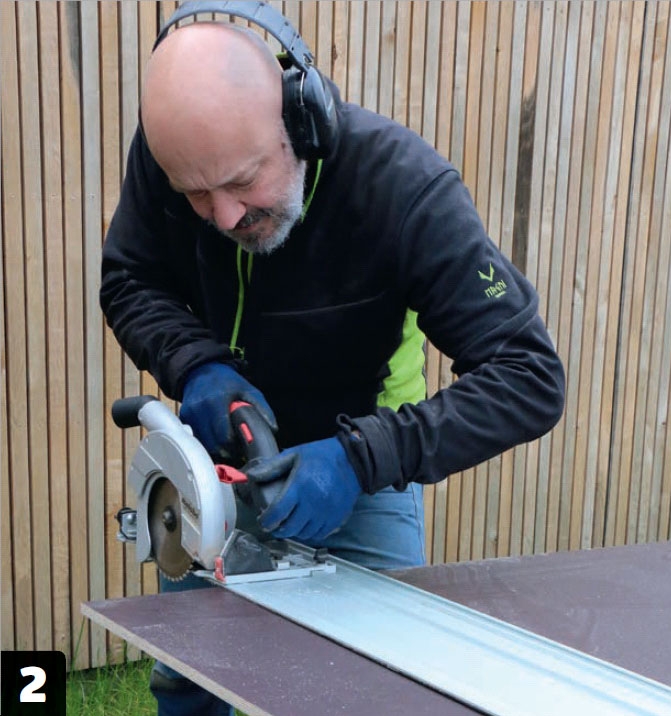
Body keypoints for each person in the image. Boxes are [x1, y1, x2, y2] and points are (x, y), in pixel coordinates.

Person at [100, 7, 565, 716]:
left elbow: (528, 376)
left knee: (367, 695)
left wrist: (361, 458)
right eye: (196, 194)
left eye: (243, 181)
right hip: (212, 473)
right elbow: (129, 277)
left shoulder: (401, 190)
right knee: (190, 680)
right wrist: (194, 364)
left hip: (360, 482)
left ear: (302, 121)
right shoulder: (179, 153)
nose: (224, 217)